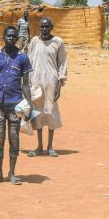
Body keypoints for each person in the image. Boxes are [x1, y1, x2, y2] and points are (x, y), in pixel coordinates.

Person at [0, 26, 32, 185]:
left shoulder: (23, 58)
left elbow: (25, 85)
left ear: (18, 38)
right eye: (8, 36)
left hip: (15, 105)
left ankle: (12, 173)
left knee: (13, 138)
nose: (11, 39)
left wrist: (29, 106)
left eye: (14, 36)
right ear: (3, 37)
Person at [24, 18, 67, 157]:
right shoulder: (34, 41)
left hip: (51, 81)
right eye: (42, 26)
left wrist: (59, 83)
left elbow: (62, 63)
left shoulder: (58, 42)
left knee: (51, 112)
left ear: (51, 27)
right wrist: (27, 81)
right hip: (35, 81)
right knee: (37, 113)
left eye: (46, 26)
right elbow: (29, 61)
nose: (44, 29)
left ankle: (50, 146)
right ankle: (39, 146)